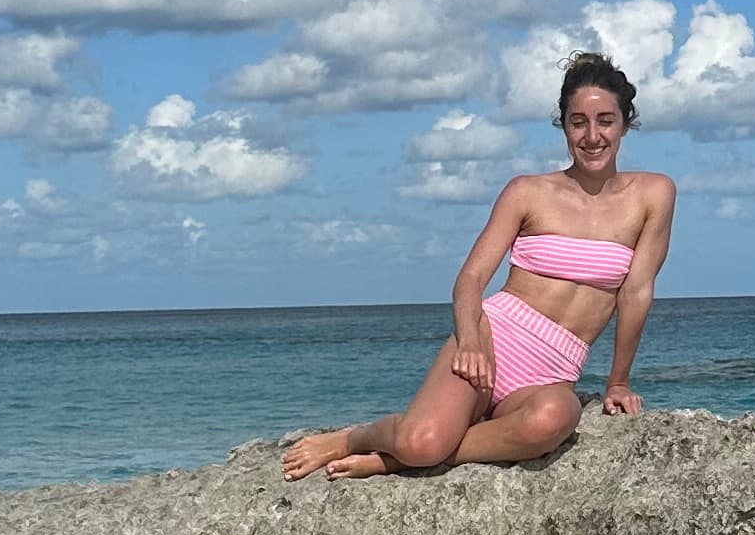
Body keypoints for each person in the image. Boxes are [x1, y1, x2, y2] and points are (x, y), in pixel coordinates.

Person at [282, 51, 675, 480]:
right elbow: (470, 279)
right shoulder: (527, 192)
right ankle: (354, 438)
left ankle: (394, 460)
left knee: (555, 419)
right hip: (493, 338)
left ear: (624, 124)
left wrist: (617, 381)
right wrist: (469, 340)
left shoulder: (653, 194)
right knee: (421, 442)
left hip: (553, 371)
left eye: (605, 120)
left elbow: (636, 293)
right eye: (578, 121)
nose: (592, 135)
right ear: (563, 125)